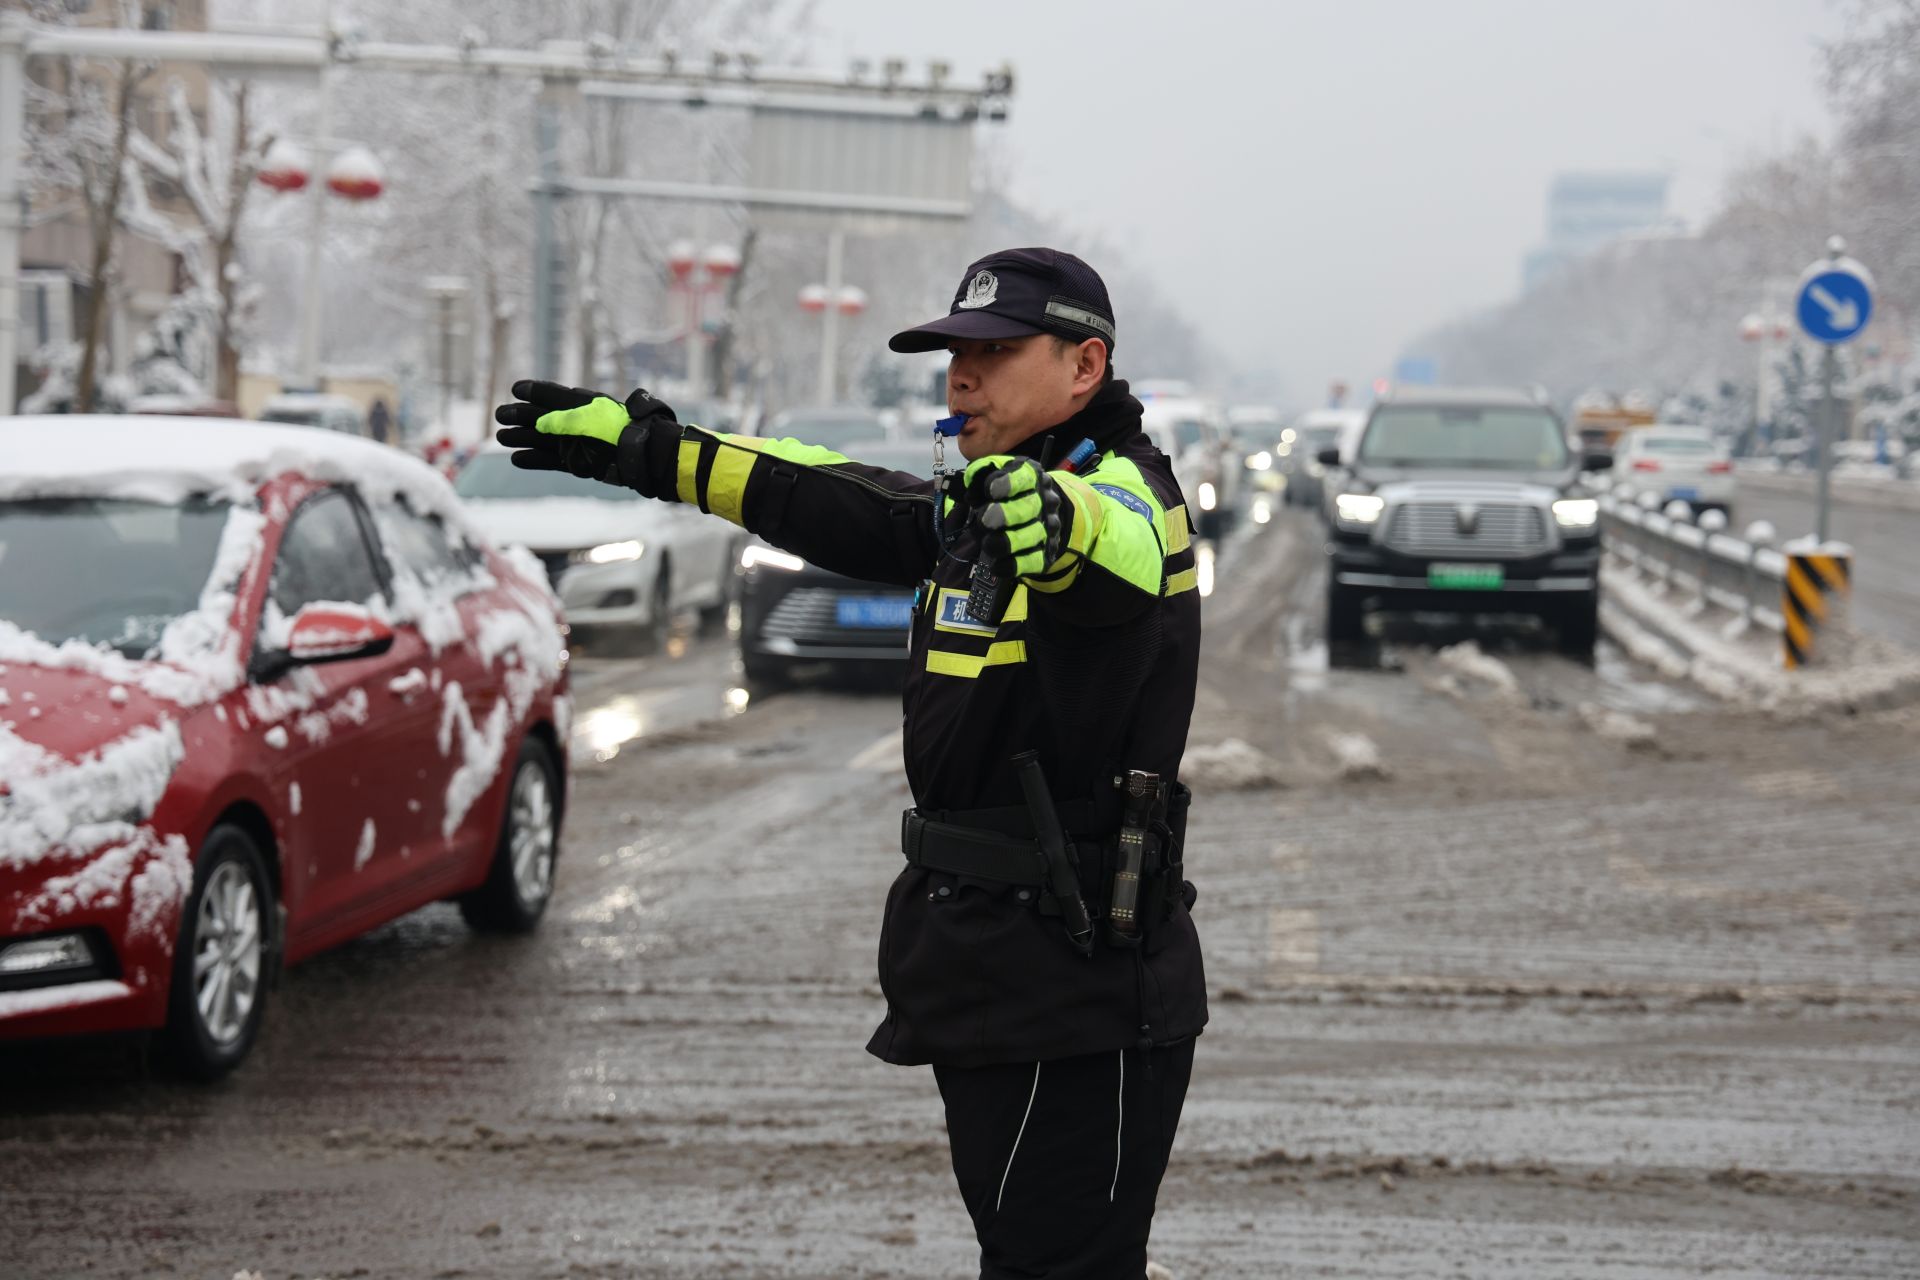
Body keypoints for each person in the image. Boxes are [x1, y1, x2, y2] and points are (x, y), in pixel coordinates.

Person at [495, 247, 1205, 1280]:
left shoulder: (1119, 491)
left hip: (1080, 985)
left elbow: (1119, 539)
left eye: (997, 353)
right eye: (955, 356)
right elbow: (826, 491)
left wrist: (1058, 521)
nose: (962, 378)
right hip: (997, 963)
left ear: (1084, 366)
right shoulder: (975, 505)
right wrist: (654, 452)